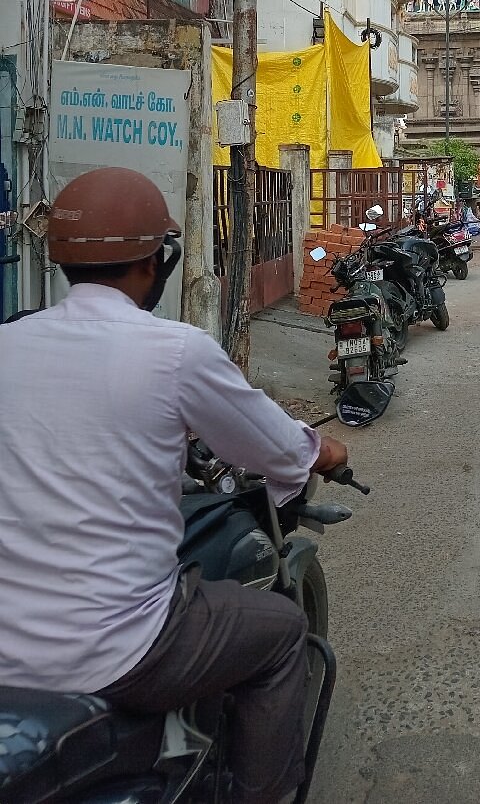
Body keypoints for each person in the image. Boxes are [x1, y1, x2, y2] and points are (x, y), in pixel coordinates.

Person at [0, 167, 348, 804]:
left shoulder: (8, 343)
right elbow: (273, 445)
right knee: (278, 633)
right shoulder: (175, 351)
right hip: (119, 647)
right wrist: (321, 449)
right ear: (156, 263)